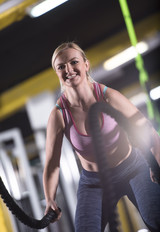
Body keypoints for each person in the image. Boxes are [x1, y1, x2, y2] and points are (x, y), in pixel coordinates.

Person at [43, 42, 160, 232]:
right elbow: (52, 163)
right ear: (56, 72)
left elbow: (146, 129)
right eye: (61, 66)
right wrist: (49, 199)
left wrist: (157, 162)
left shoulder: (108, 97)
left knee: (156, 219)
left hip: (134, 168)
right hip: (93, 182)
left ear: (86, 65)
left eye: (74, 62)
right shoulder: (58, 115)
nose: (68, 69)